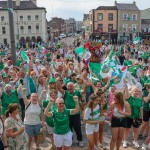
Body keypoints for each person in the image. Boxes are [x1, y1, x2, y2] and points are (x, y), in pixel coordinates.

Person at [57, 82, 86, 147]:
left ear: (73, 87)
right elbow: (59, 88)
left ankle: (80, 140)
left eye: (71, 86)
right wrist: (57, 81)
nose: (69, 88)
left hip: (76, 113)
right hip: (68, 114)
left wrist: (86, 85)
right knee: (69, 128)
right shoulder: (66, 92)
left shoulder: (77, 92)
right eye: (68, 86)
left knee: (77, 128)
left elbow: (84, 91)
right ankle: (70, 140)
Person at [123, 82, 143, 148]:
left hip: (136, 117)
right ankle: (125, 141)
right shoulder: (129, 98)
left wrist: (142, 117)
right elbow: (126, 92)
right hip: (128, 116)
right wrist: (125, 85)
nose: (136, 92)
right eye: (135, 91)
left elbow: (140, 109)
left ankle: (135, 141)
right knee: (127, 129)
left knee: (136, 130)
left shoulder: (139, 100)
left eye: (137, 91)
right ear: (132, 92)